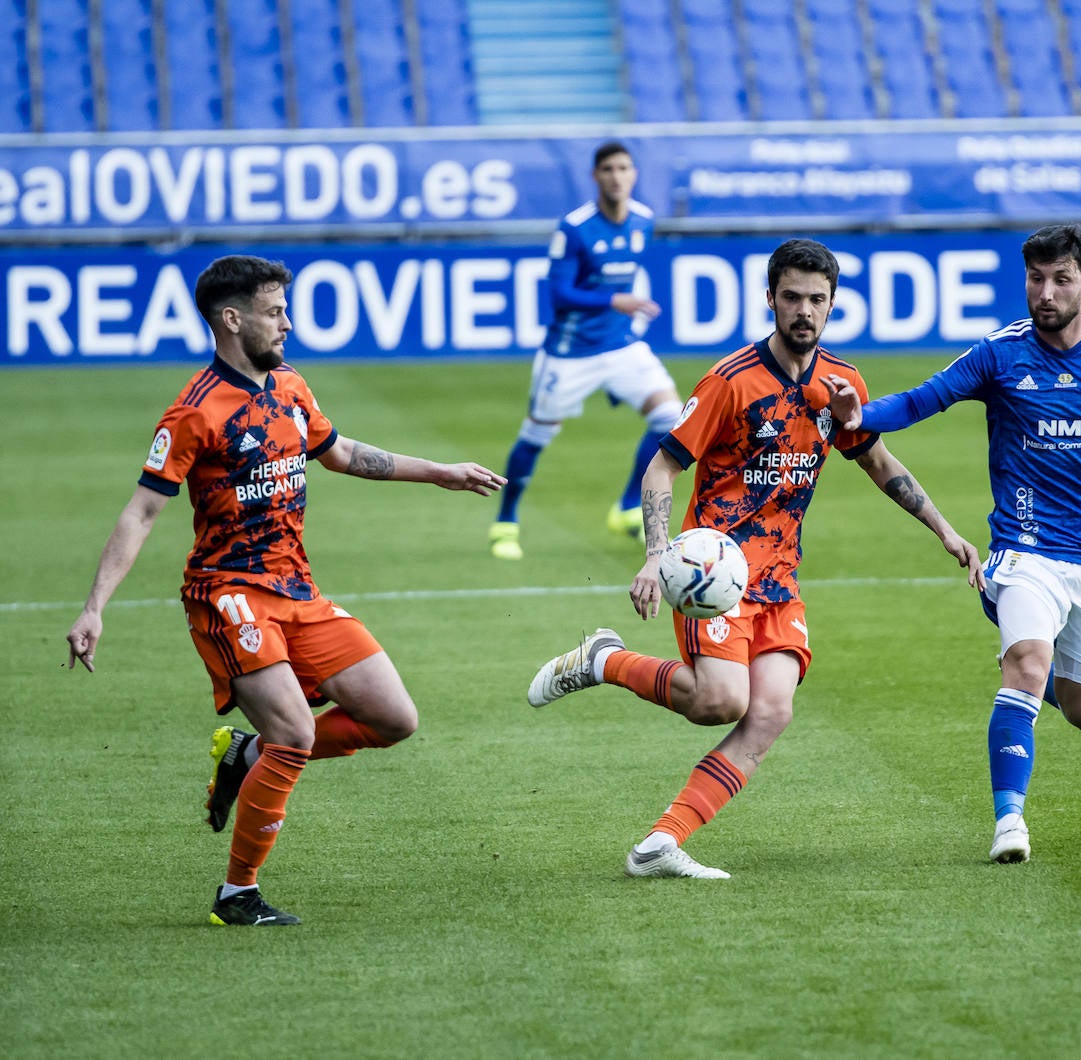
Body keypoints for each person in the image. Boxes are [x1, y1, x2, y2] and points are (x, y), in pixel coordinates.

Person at [65, 255, 505, 926]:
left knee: (395, 719)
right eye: (274, 312)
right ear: (232, 319)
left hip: (297, 591)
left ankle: (247, 753)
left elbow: (341, 452)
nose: (288, 324)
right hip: (226, 592)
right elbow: (141, 512)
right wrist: (94, 606)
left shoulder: (291, 386)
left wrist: (438, 472)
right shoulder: (191, 412)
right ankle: (236, 894)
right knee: (296, 733)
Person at [525, 238, 985, 878]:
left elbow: (877, 461)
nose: (804, 311)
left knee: (770, 711)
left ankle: (661, 841)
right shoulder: (729, 381)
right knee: (720, 701)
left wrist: (944, 529)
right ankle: (606, 660)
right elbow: (663, 464)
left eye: (816, 300)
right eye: (791, 297)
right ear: (770, 298)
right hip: (711, 572)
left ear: (832, 305)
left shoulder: (841, 384)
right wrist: (657, 554)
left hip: (778, 578)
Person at [824, 222, 1081, 864]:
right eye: (1037, 279)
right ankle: (1010, 820)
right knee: (1027, 665)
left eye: (1062, 280)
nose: (1047, 292)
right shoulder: (1001, 354)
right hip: (1025, 547)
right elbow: (927, 398)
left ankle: (1028, 670)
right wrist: (859, 417)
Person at [489, 140, 684, 560]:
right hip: (569, 353)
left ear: (634, 174)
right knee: (536, 436)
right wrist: (616, 301)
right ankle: (506, 520)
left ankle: (629, 506)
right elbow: (559, 294)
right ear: (596, 176)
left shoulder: (643, 221)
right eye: (608, 169)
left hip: (620, 345)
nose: (617, 176)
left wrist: (621, 312)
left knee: (672, 419)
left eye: (624, 168)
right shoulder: (575, 227)